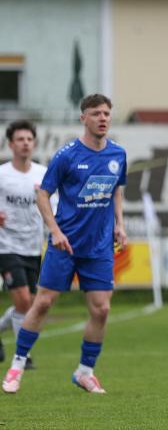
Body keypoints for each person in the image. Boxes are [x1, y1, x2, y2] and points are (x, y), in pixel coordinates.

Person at [2, 95, 127, 395]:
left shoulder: (118, 154)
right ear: (83, 118)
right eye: (96, 113)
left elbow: (116, 190)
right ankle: (17, 365)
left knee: (102, 310)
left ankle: (85, 371)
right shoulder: (67, 155)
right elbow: (43, 194)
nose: (103, 118)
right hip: (65, 244)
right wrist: (55, 231)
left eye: (107, 113)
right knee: (42, 302)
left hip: (98, 247)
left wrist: (119, 224)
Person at [0, 121, 48, 368]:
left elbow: (53, 205)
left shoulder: (42, 174)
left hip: (32, 246)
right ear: (10, 144)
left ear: (34, 143)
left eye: (29, 139)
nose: (25, 143)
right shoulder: (2, 174)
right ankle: (23, 356)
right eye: (20, 139)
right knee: (22, 302)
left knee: (28, 304)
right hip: (5, 246)